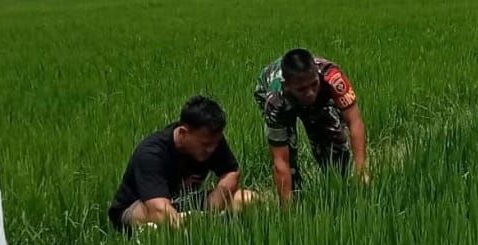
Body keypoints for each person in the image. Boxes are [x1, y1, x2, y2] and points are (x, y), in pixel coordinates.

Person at [109, 96, 255, 233]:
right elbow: (158, 210)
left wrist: (218, 197)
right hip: (141, 206)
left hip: (184, 201)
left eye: (215, 143)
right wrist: (196, 229)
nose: (211, 149)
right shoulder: (151, 153)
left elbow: (231, 172)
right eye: (205, 144)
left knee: (248, 199)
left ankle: (211, 228)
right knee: (157, 220)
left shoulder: (211, 139)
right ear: (183, 133)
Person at [254, 48, 368, 203]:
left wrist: (361, 170)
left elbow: (354, 122)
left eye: (314, 84)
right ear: (287, 85)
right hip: (281, 98)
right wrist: (287, 212)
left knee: (335, 148)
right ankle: (296, 202)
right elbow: (280, 160)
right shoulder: (275, 101)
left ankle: (340, 193)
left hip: (318, 98)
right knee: (290, 162)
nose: (310, 93)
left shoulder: (332, 77)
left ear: (317, 75)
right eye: (302, 89)